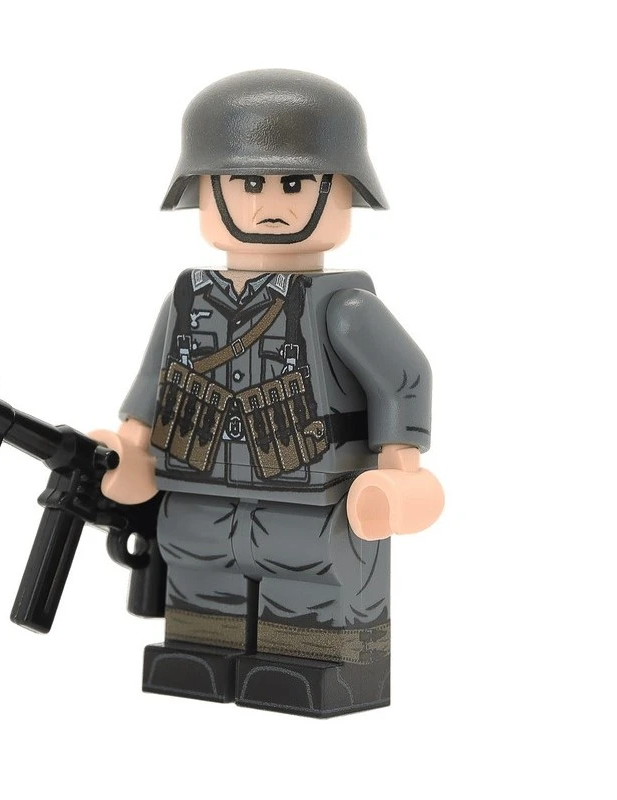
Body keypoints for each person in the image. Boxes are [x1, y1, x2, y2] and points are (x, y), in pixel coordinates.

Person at [89, 69, 444, 717]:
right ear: (204, 191)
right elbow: (153, 384)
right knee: (202, 573)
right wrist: (131, 448)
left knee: (310, 580)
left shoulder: (344, 309)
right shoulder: (187, 301)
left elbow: (403, 377)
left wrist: (400, 469)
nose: (269, 201)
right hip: (195, 485)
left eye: (295, 183)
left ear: (343, 190)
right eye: (248, 183)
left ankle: (314, 667)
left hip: (309, 494)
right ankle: (200, 654)